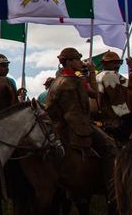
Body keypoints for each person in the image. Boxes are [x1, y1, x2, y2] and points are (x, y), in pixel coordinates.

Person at [45, 47, 117, 205]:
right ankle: (113, 193)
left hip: (59, 127)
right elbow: (95, 95)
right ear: (69, 62)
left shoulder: (57, 81)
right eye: (77, 59)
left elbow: (48, 108)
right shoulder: (75, 81)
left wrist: (90, 73)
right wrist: (91, 73)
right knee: (110, 146)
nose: (80, 62)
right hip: (79, 126)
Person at [95, 51, 132, 143]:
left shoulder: (99, 76)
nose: (117, 65)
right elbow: (117, 100)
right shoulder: (110, 75)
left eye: (118, 62)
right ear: (105, 64)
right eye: (114, 62)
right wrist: (128, 117)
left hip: (105, 118)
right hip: (116, 119)